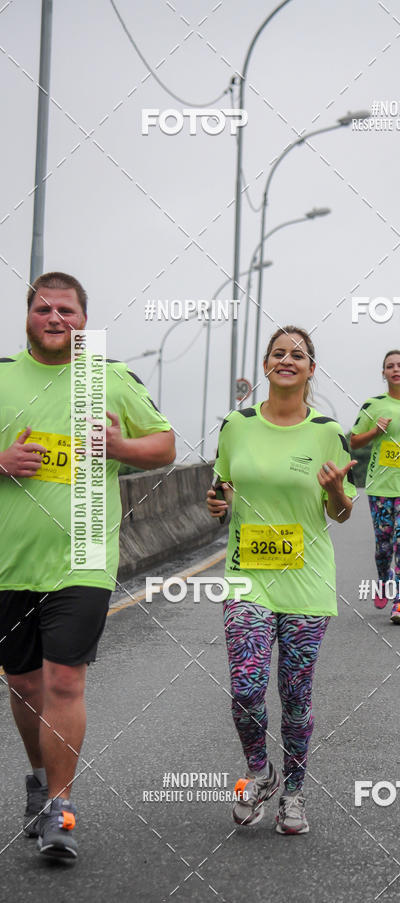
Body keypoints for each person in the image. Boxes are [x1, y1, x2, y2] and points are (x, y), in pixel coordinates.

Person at [0, 272, 175, 859]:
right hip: (10, 561)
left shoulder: (109, 377)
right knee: (23, 686)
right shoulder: (2, 377)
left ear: (84, 319)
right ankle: (39, 778)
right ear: (28, 316)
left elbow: (165, 444)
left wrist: (119, 448)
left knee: (63, 679)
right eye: (45, 309)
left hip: (84, 555)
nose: (56, 318)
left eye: (67, 310)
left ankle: (59, 805)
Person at [207, 325, 356, 834]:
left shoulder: (329, 433)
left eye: (298, 355)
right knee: (246, 689)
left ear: (311, 369)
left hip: (307, 582)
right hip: (248, 577)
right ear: (267, 364)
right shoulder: (236, 424)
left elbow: (341, 514)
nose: (287, 360)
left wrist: (336, 491)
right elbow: (220, 488)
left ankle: (294, 793)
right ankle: (258, 771)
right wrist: (216, 503)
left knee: (295, 694)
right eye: (278, 353)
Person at [350, 350, 400, 624]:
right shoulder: (372, 405)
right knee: (383, 546)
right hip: (381, 485)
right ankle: (384, 580)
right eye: (389, 366)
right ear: (383, 373)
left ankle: (399, 604)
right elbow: (353, 442)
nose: (395, 369)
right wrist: (375, 432)